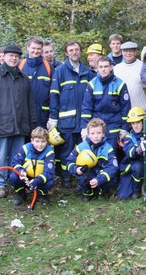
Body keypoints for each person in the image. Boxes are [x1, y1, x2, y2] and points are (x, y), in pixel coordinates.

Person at [0, 43, 37, 198]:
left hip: (20, 125)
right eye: (11, 56)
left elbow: (30, 103)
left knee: (18, 157)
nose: (13, 58)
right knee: (0, 156)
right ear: (4, 57)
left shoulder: (23, 78)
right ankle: (0, 184)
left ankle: (16, 183)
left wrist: (32, 123)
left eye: (16, 56)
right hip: (1, 126)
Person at [48, 41, 93, 183]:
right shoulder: (60, 71)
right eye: (71, 50)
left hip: (84, 122)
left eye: (77, 50)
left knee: (84, 151)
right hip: (66, 121)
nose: (74, 52)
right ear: (66, 53)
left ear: (80, 52)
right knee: (66, 151)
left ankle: (83, 179)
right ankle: (66, 178)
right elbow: (54, 95)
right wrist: (53, 118)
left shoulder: (87, 72)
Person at [81, 56, 131, 150]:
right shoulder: (92, 84)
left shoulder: (120, 84)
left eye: (106, 66)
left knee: (111, 155)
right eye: (101, 67)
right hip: (96, 127)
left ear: (111, 67)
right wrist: (84, 128)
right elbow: (86, 108)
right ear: (97, 68)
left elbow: (125, 109)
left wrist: (124, 128)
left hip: (113, 126)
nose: (103, 69)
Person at [65, 118, 118, 201]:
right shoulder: (81, 146)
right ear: (88, 134)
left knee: (111, 178)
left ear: (103, 134)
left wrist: (99, 179)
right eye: (92, 133)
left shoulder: (108, 148)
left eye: (99, 133)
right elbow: (69, 162)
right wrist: (76, 169)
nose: (96, 136)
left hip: (101, 175)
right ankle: (87, 193)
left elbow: (113, 167)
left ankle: (102, 193)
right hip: (88, 174)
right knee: (82, 177)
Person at [10, 126, 55, 206]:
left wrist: (37, 180)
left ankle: (41, 195)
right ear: (32, 141)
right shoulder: (25, 148)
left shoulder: (49, 152)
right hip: (25, 177)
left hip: (39, 178)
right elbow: (15, 162)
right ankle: (21, 195)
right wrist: (21, 171)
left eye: (43, 141)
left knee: (50, 182)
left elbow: (49, 172)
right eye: (37, 141)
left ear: (47, 142)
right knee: (13, 177)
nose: (40, 145)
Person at [115, 107, 146, 200]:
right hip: (133, 165)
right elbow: (129, 152)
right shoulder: (129, 137)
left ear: (143, 122)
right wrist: (139, 149)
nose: (135, 126)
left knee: (139, 167)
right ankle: (136, 189)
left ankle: (136, 190)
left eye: (138, 122)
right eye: (133, 123)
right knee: (123, 196)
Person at [18, 36, 51, 128]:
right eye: (33, 48)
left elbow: (54, 92)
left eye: (38, 49)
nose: (36, 51)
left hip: (43, 116)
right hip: (23, 115)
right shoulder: (20, 65)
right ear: (28, 47)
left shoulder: (48, 67)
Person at [113, 41, 146, 111]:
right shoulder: (116, 68)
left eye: (131, 51)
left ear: (135, 52)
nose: (128, 53)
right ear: (122, 52)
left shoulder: (143, 66)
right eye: (125, 51)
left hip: (140, 110)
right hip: (122, 110)